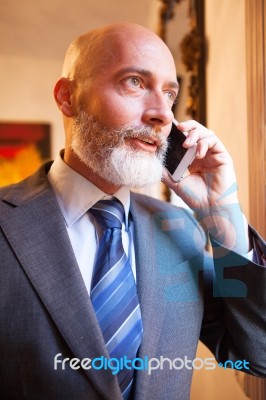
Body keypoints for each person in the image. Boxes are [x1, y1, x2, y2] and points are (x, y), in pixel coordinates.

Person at [0, 22, 265, 400]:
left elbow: (260, 356)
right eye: (135, 82)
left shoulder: (181, 230)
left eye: (170, 94)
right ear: (67, 97)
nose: (161, 114)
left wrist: (222, 215)